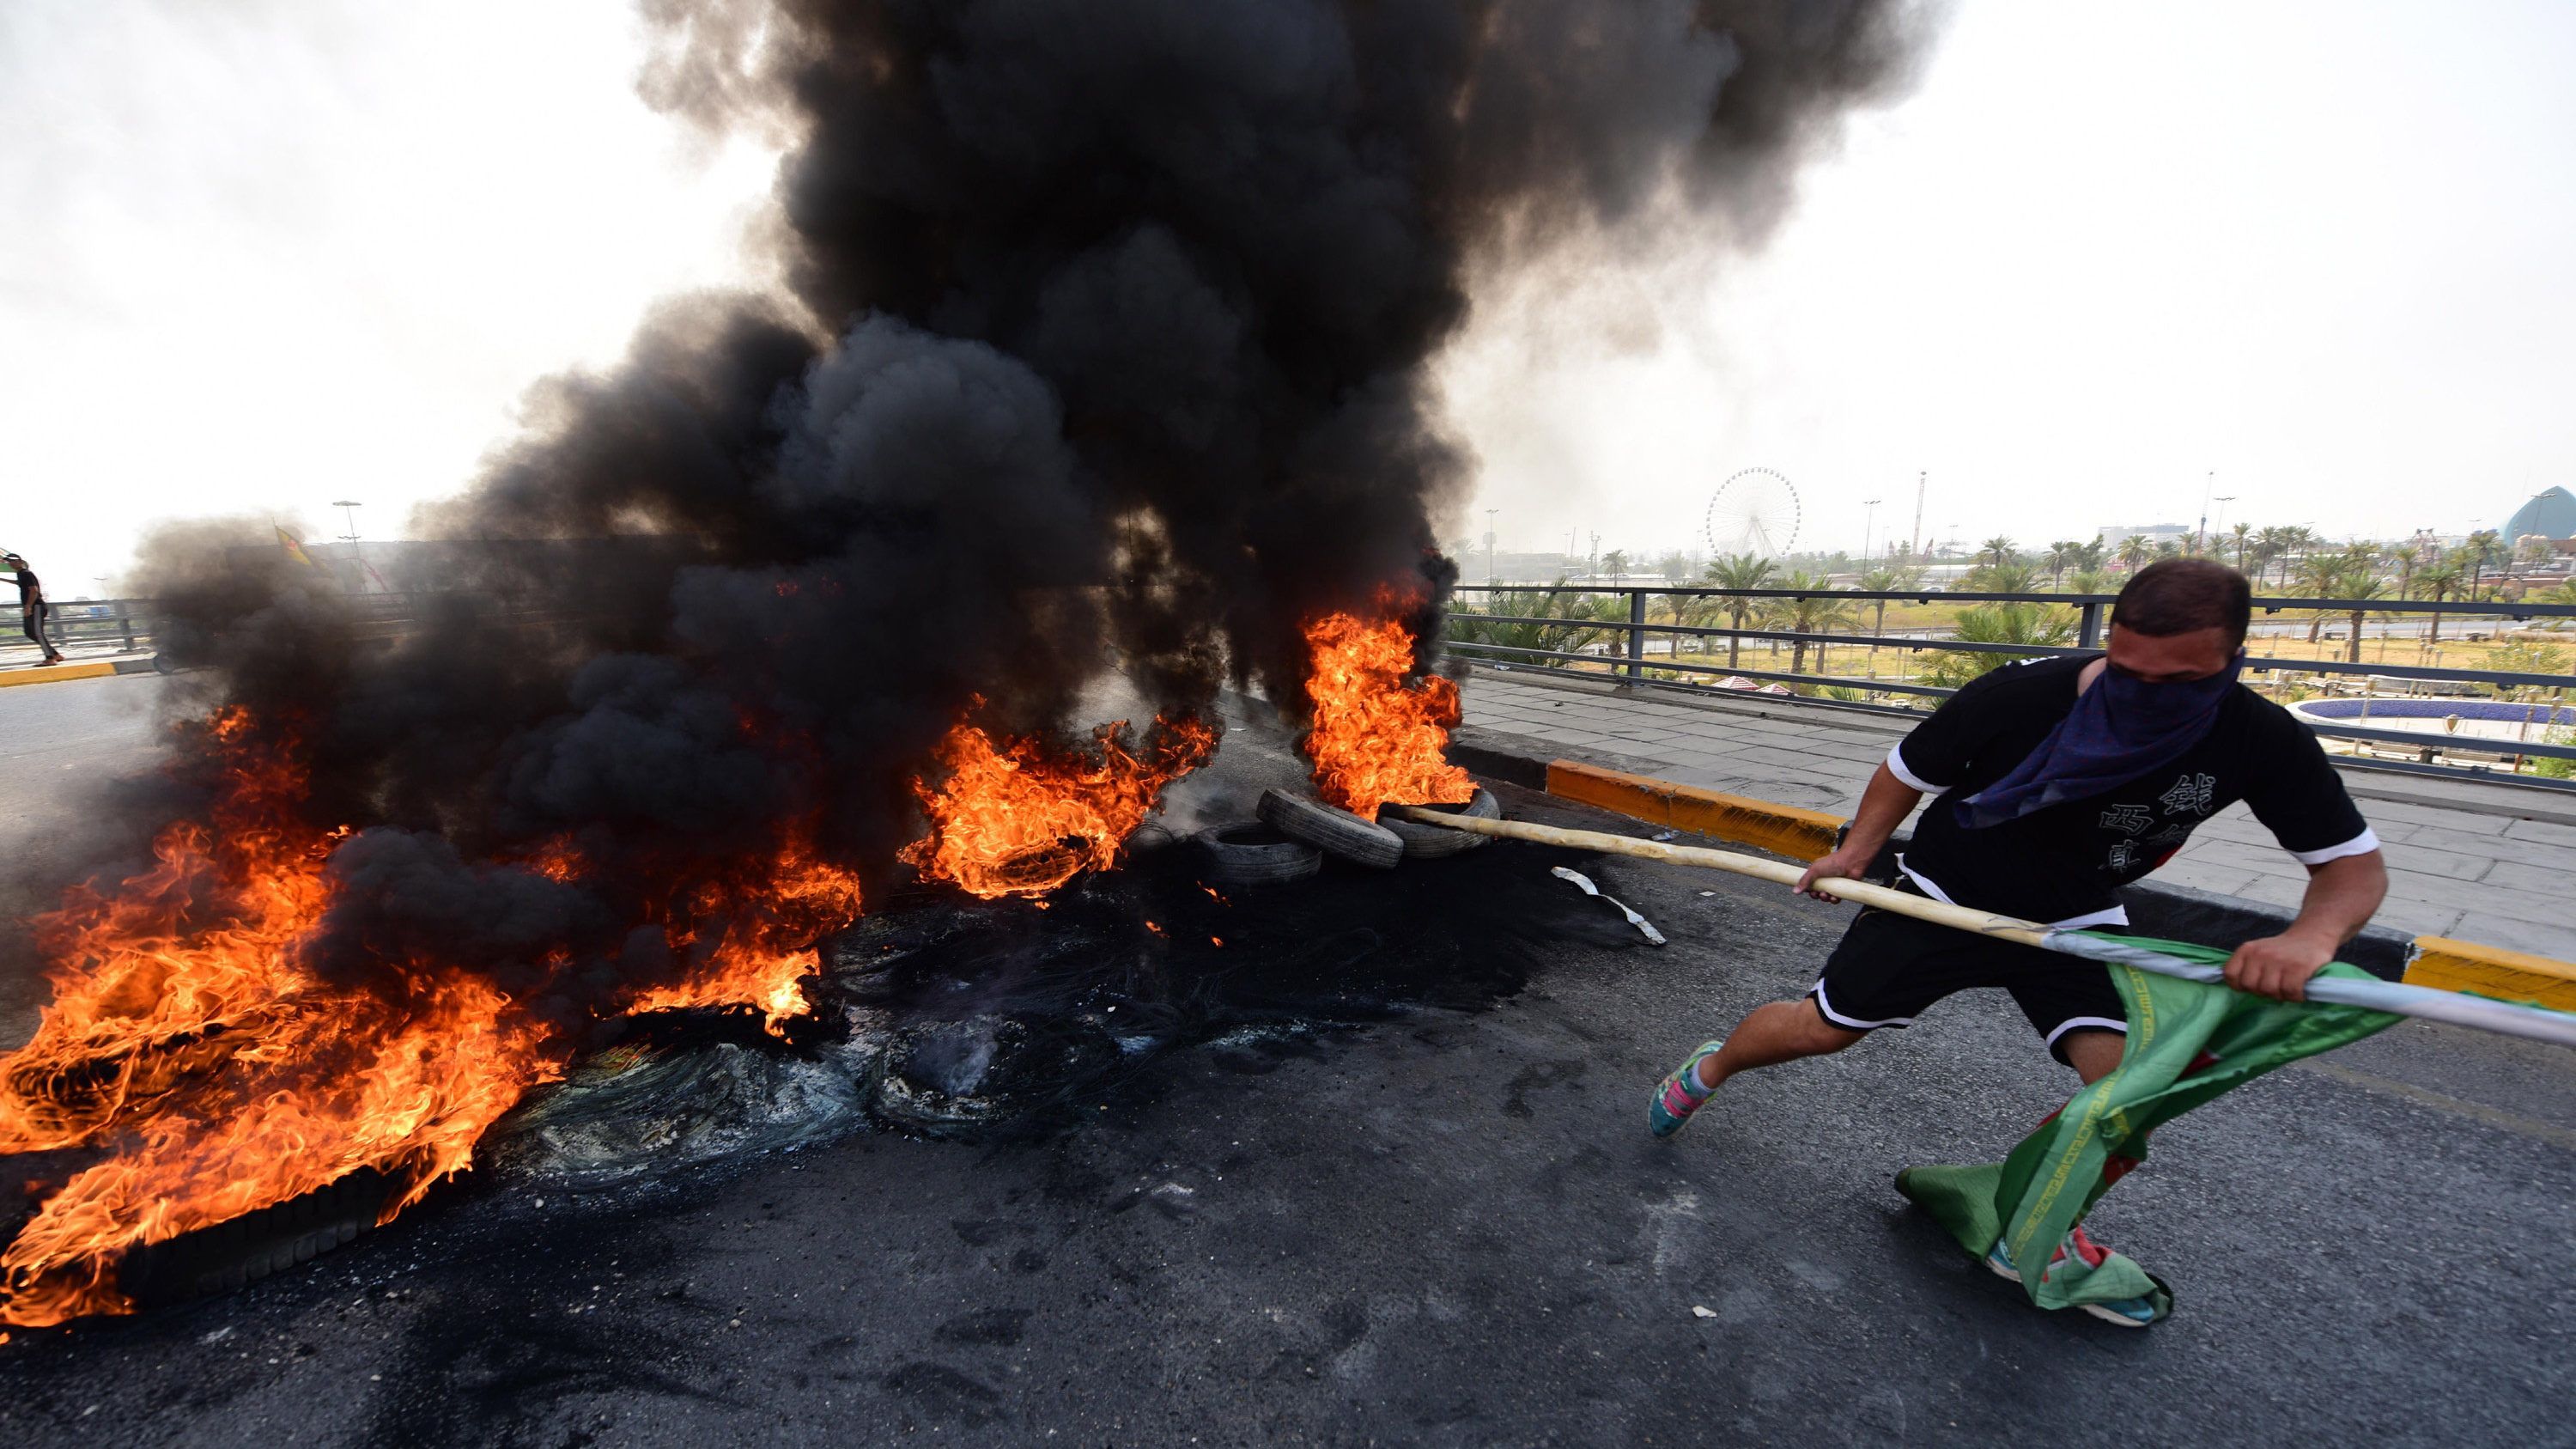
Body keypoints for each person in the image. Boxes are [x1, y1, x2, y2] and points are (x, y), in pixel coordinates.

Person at [1648, 557, 2387, 1326]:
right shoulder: (2024, 694)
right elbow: (1907, 769)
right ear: (2112, 644)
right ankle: (1711, 1066)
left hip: (2076, 920)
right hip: (1948, 895)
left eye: (2180, 683)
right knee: (1821, 1029)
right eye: (2129, 674)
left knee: (2134, 1096)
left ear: (2233, 662)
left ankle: (2032, 1229)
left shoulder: (2259, 737)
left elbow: (2351, 867)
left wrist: (2313, 934)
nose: (2145, 697)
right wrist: (1856, 852)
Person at [5, 551, 68, 666]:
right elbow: (19, 583)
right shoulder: (21, 574)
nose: (11, 563)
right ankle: (55, 654)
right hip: (30, 607)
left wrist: (29, 606)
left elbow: (34, 591)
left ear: (20, 562)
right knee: (29, 633)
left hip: (36, 606)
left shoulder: (26, 573)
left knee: (38, 633)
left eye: (13, 561)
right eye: (9, 562)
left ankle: (50, 658)